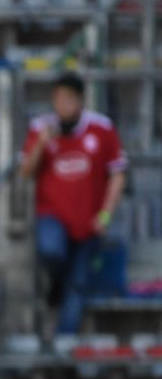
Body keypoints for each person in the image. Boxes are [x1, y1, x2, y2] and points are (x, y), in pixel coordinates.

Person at [21, 71, 127, 335]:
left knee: (77, 286)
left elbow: (118, 174)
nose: (62, 106)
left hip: (87, 223)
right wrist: (40, 146)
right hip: (52, 215)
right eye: (58, 100)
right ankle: (55, 282)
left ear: (80, 101)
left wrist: (105, 214)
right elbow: (25, 173)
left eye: (68, 99)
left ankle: (63, 347)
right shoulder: (41, 128)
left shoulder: (102, 129)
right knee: (51, 250)